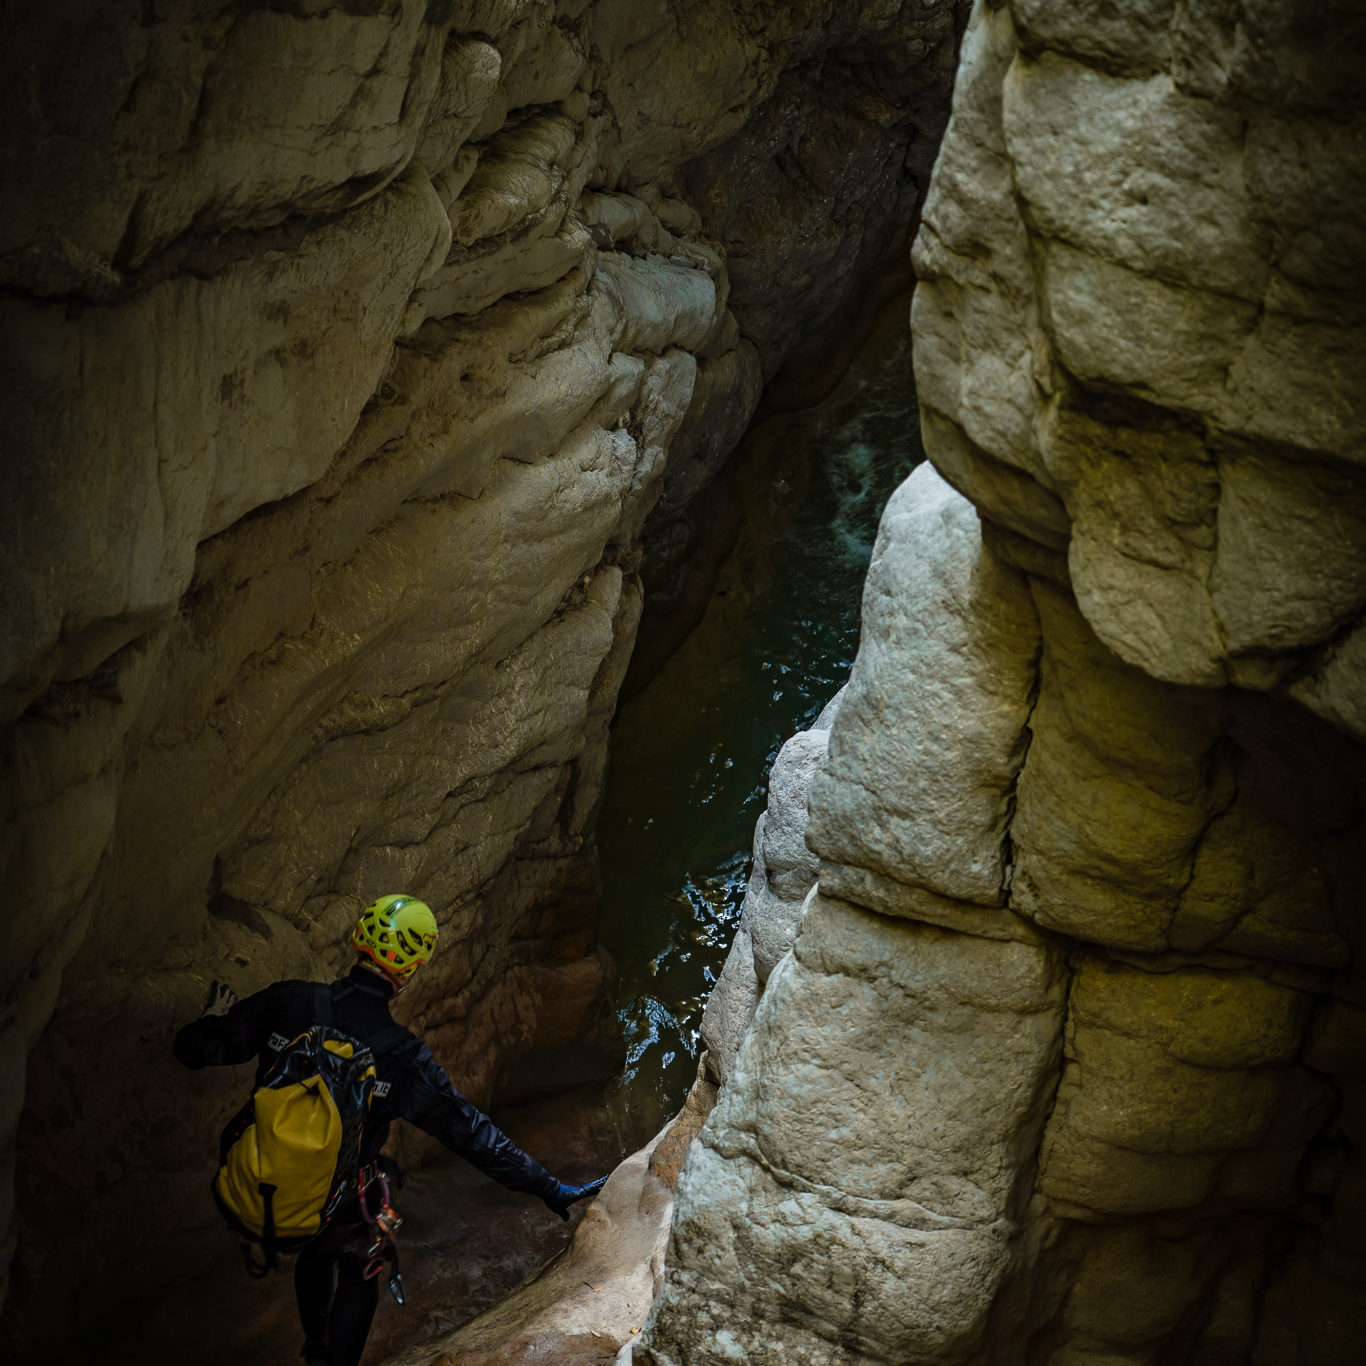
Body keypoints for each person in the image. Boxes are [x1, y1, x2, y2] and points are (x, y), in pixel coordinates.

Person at [174, 893, 606, 1366]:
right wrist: (550, 1188)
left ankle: (315, 1343)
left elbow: (196, 1050)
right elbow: (474, 1137)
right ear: (411, 969)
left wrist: (209, 1020)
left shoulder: (289, 1001)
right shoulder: (402, 1058)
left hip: (258, 1181)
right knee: (357, 1262)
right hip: (336, 1205)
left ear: (358, 938)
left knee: (315, 1255)